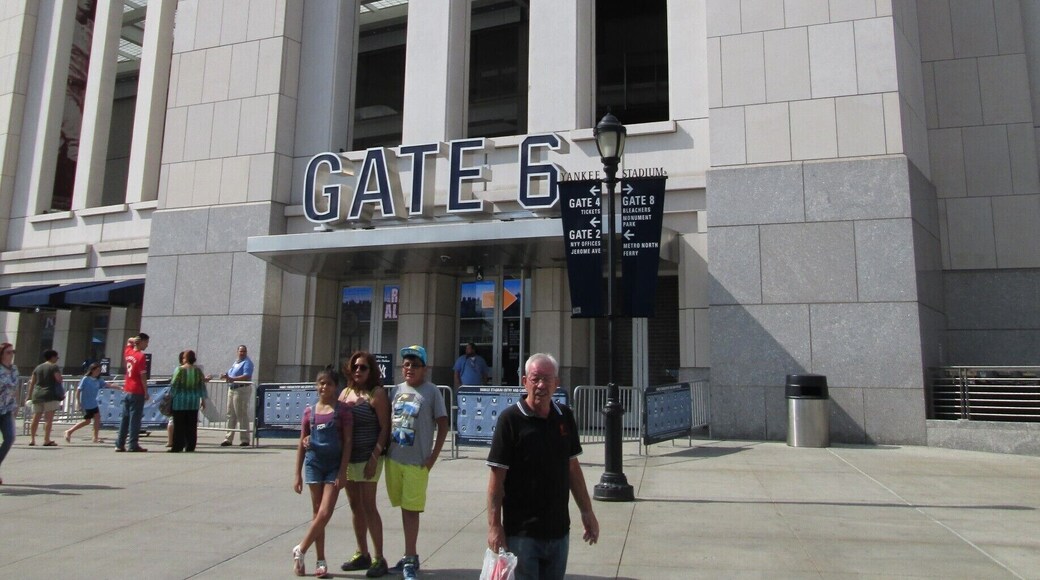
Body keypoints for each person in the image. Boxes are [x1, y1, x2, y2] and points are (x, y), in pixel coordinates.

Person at [486, 353, 599, 580]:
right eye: (535, 378)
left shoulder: (564, 417)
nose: (541, 385)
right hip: (522, 535)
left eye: (547, 379)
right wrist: (494, 526)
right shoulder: (510, 420)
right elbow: (496, 481)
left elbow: (573, 468)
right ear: (524, 381)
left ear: (556, 383)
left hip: (559, 533)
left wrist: (587, 511)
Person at [385, 345, 448, 579]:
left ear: (425, 368)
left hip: (417, 463)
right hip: (394, 459)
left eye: (415, 364)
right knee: (404, 507)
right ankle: (409, 553)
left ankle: (410, 557)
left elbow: (443, 424)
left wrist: (432, 457)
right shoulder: (396, 390)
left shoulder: (431, 392)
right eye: (406, 364)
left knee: (412, 510)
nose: (409, 368)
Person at [292, 369, 353, 578]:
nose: (323, 387)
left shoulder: (343, 411)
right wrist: (297, 474)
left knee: (325, 512)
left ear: (336, 386)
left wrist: (343, 471)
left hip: (334, 466)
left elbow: (347, 442)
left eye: (328, 383)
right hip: (314, 464)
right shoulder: (310, 412)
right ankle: (320, 560)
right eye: (320, 383)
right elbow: (302, 442)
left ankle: (300, 549)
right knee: (317, 512)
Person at [338, 351, 391, 577]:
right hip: (349, 458)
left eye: (363, 367)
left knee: (369, 506)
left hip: (369, 458)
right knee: (354, 506)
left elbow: (385, 428)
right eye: (355, 367)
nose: (358, 371)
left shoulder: (376, 394)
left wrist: (375, 457)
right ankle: (362, 553)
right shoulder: (345, 393)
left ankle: (379, 558)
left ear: (372, 371)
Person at [169, 350, 208, 452]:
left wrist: (170, 397)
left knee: (179, 425)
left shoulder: (179, 370)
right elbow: (201, 386)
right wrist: (203, 400)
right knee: (191, 426)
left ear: (185, 358)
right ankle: (190, 446)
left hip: (180, 401)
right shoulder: (198, 371)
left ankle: (178, 446)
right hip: (193, 401)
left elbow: (174, 385)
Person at [116, 333, 150, 452]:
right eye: (146, 342)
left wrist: (132, 339)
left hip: (127, 389)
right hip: (137, 390)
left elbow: (128, 341)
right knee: (135, 419)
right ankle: (133, 444)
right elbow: (143, 376)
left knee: (125, 418)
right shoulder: (140, 356)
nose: (147, 345)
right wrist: (146, 391)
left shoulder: (128, 352)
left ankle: (120, 443)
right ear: (140, 342)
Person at [64, 363, 112, 443]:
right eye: (97, 370)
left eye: (99, 371)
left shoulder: (98, 380)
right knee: (87, 421)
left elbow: (107, 385)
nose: (98, 372)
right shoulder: (86, 379)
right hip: (86, 403)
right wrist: (78, 402)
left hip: (94, 403)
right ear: (92, 370)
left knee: (97, 418)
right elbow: (78, 391)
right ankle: (69, 431)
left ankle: (95, 437)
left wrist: (118, 387)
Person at [26, 349, 64, 447]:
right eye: (57, 357)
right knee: (48, 419)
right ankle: (46, 439)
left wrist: (29, 396)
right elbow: (58, 379)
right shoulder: (53, 367)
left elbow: (32, 382)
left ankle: (32, 439)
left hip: (37, 394)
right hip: (49, 394)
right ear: (52, 357)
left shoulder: (38, 367)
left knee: (36, 417)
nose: (57, 359)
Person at [220, 344, 253, 447]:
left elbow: (247, 376)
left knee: (241, 414)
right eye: (240, 351)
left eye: (244, 351)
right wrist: (225, 376)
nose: (242, 353)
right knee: (230, 414)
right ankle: (228, 438)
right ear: (237, 352)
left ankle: (245, 439)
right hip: (232, 389)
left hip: (241, 389)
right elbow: (231, 374)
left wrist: (233, 379)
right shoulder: (236, 363)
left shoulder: (247, 362)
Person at [0, 342, 19, 484]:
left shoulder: (14, 370)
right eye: (8, 352)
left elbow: (15, 388)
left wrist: (16, 405)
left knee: (10, 437)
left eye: (13, 352)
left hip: (7, 409)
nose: (11, 355)